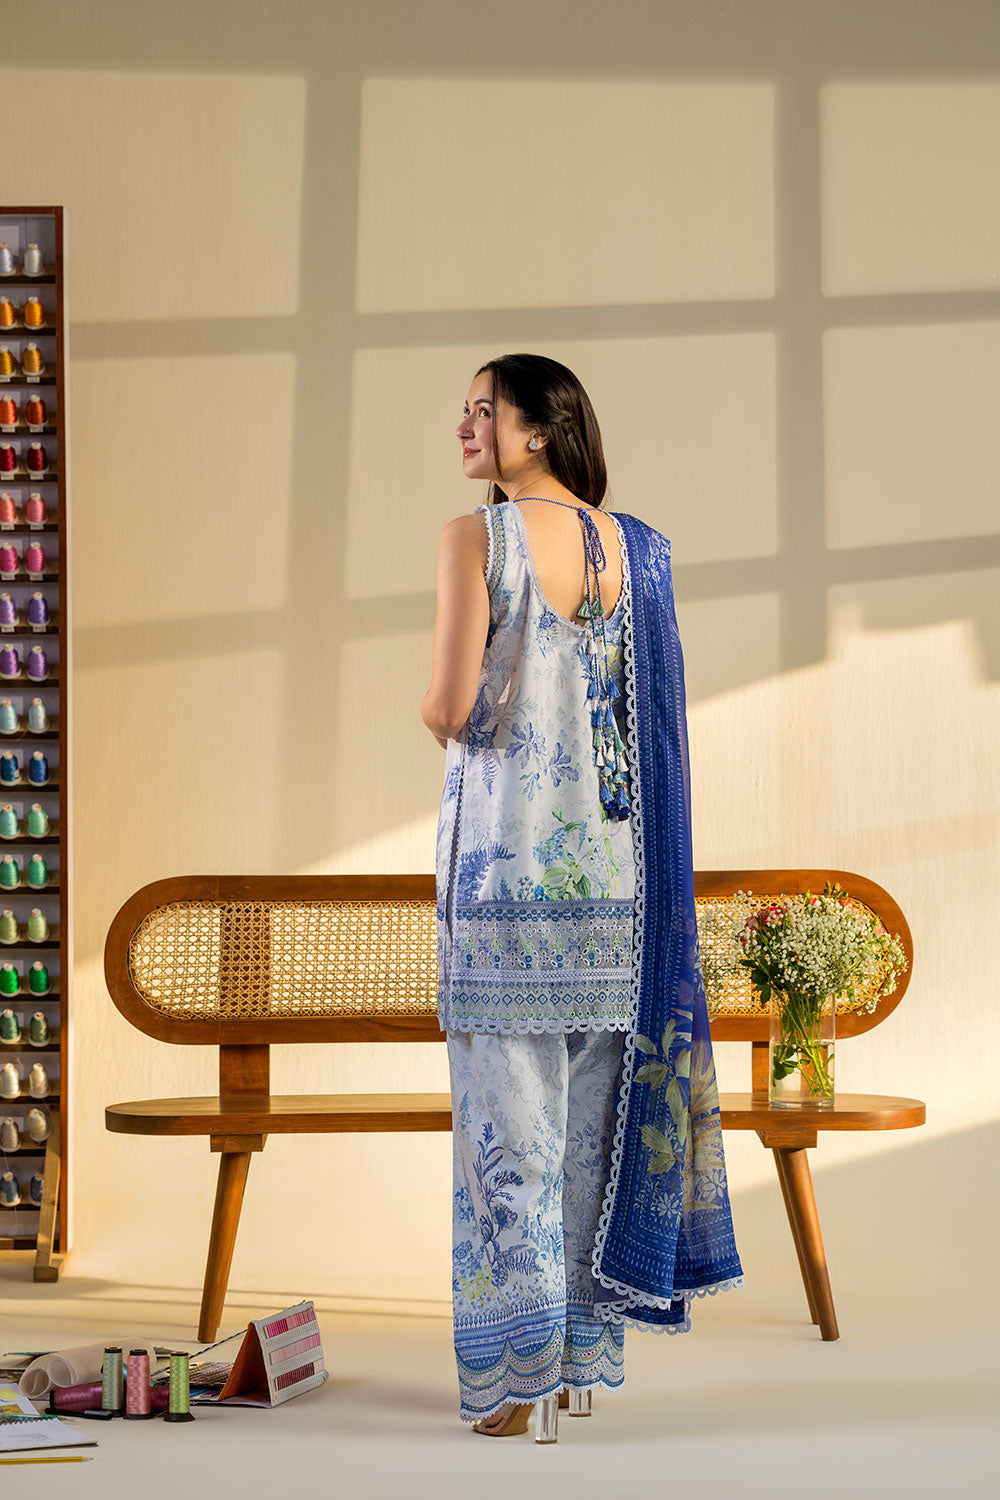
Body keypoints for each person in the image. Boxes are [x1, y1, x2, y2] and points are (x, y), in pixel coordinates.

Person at [422, 353, 742, 1443]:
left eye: (483, 411)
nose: (465, 427)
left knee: (504, 1144)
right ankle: (577, 1371)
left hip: (507, 887)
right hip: (618, 893)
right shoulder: (636, 550)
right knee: (586, 1148)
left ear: (538, 430)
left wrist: (433, 712)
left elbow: (450, 707)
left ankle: (513, 1382)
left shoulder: (477, 540)